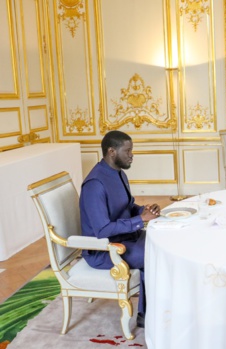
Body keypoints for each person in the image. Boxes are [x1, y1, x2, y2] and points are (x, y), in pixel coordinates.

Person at [79, 130, 161, 328]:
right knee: (155, 255)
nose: (132, 155)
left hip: (125, 238)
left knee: (161, 244)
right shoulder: (95, 184)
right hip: (104, 250)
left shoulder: (119, 174)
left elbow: (128, 206)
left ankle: (153, 309)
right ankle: (147, 314)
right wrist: (140, 220)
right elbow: (103, 230)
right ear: (111, 152)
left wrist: (145, 210)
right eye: (128, 151)